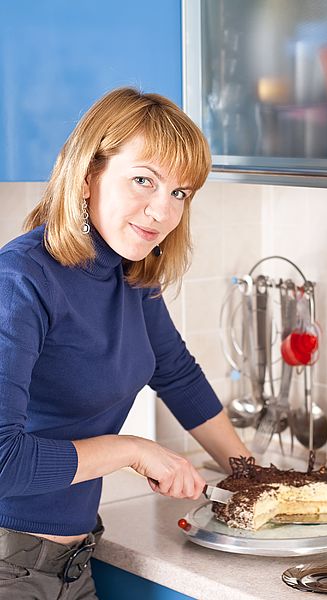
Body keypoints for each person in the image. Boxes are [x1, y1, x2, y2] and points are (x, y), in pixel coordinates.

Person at [0, 87, 252, 599]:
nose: (161, 211)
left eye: (180, 193)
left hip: (72, 562)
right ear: (88, 174)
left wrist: (251, 479)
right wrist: (133, 450)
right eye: (144, 180)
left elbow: (176, 372)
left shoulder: (130, 274)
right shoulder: (20, 282)